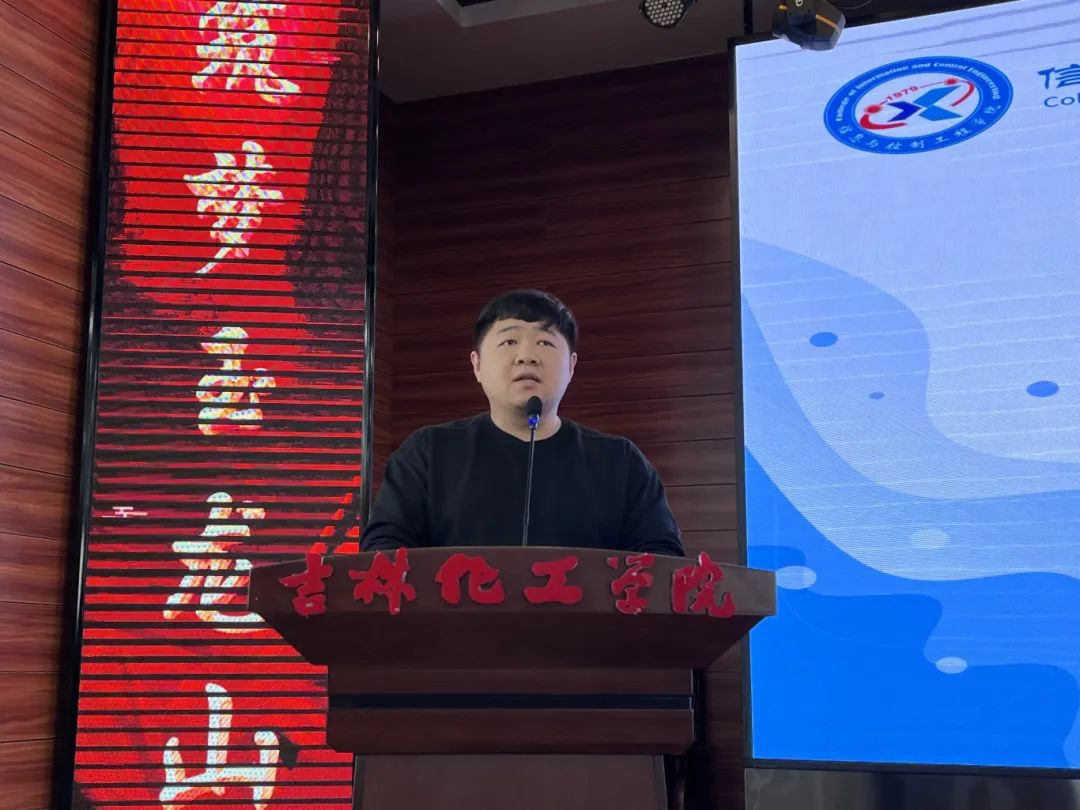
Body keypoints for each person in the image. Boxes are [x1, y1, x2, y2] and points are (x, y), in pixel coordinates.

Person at [360, 289, 684, 556]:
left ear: (571, 366)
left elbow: (663, 560)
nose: (527, 356)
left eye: (546, 342)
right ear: (477, 364)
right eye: (509, 342)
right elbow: (383, 553)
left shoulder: (620, 462)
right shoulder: (428, 453)